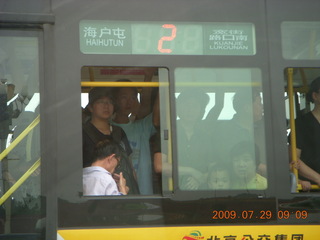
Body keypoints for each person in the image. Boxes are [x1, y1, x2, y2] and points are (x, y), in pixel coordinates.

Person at [82, 87, 139, 194]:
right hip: (95, 190)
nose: (106, 106)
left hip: (122, 187)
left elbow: (129, 163)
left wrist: (133, 186)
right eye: (101, 102)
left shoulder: (118, 131)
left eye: (110, 102)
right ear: (90, 107)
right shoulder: (82, 133)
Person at [111, 70, 159, 195]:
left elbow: (152, 109)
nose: (129, 102)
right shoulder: (106, 127)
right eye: (124, 97)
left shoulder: (142, 127)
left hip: (144, 194)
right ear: (114, 100)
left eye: (133, 97)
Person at [215, 88, 267, 177]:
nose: (262, 107)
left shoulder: (264, 127)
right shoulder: (225, 131)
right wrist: (263, 168)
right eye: (259, 104)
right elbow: (227, 160)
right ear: (247, 108)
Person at [175, 88, 215, 190]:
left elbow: (213, 167)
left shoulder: (205, 137)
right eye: (187, 105)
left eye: (195, 106)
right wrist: (191, 171)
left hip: (201, 192)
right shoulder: (168, 132)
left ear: (201, 111)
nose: (190, 110)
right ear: (178, 108)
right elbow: (160, 166)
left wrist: (200, 178)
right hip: (172, 190)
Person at [291, 76, 320, 189]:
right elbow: (294, 159)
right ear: (315, 96)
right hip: (311, 187)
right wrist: (318, 178)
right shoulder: (301, 124)